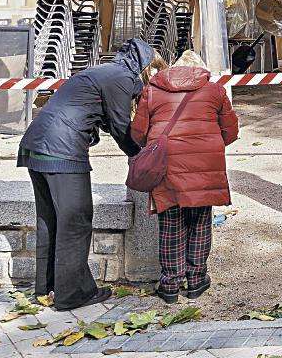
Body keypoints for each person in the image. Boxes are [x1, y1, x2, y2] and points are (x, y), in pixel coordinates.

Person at [18, 38, 165, 311]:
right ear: (145, 66)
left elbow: (104, 119)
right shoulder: (122, 77)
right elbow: (121, 126)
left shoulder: (103, 70)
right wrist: (142, 156)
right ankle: (73, 294)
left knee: (50, 220)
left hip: (36, 145)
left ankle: (47, 287)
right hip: (62, 151)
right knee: (76, 222)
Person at [131, 50, 238, 303]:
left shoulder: (153, 90)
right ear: (200, 70)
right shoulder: (215, 91)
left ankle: (170, 285)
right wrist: (208, 144)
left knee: (170, 223)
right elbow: (231, 131)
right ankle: (197, 280)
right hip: (205, 164)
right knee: (200, 221)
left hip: (166, 165)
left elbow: (138, 132)